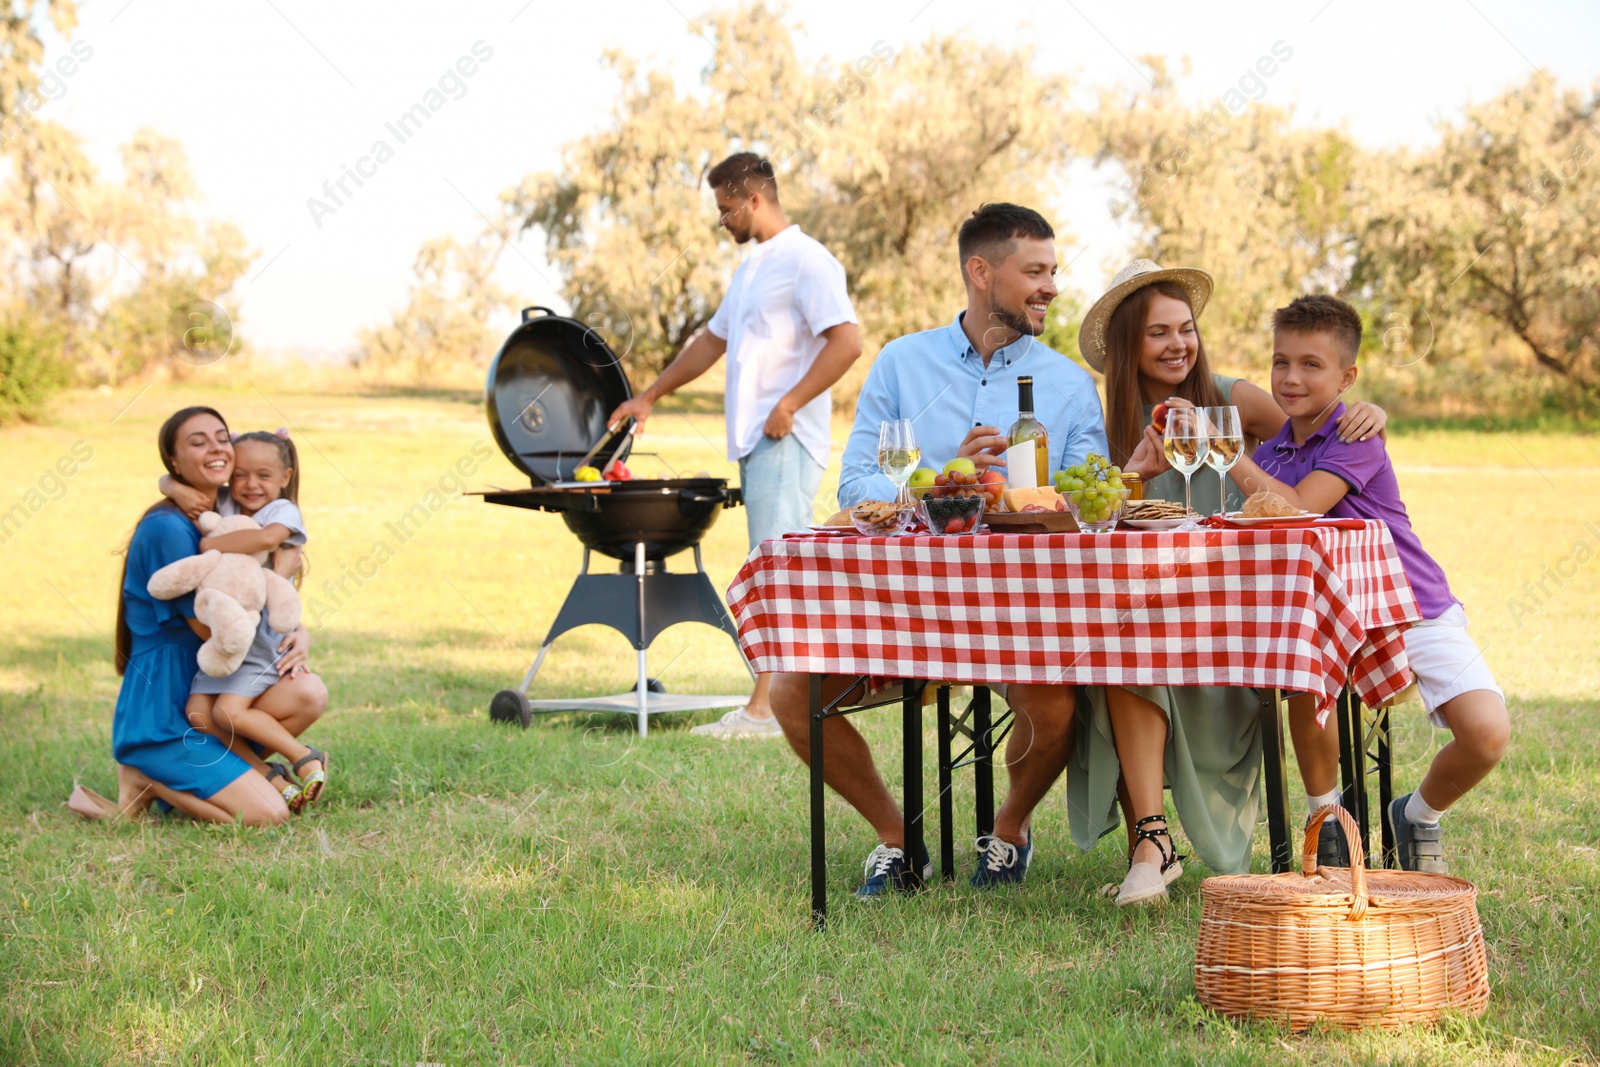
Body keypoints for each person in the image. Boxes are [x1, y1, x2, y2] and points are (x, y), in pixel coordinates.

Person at [772, 203, 1109, 895]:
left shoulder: (1070, 384)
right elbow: (859, 481)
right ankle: (899, 839)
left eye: (1054, 271)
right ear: (981, 272)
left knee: (1054, 708)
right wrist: (941, 474)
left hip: (1023, 601)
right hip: (903, 601)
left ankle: (1009, 831)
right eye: (1035, 271)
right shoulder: (903, 363)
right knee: (791, 694)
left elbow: (1088, 501)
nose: (1050, 286)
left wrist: (1042, 493)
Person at [1072, 261, 1389, 905]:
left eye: (1185, 329)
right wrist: (1133, 471)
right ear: (1129, 343)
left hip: (1239, 626)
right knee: (1122, 649)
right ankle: (1151, 844)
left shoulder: (1235, 400)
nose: (1177, 345)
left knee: (1130, 651)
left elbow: (1319, 435)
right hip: (1151, 618)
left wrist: (1369, 409)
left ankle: (1155, 847)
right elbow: (1096, 523)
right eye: (1158, 333)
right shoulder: (1106, 424)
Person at [1220, 294, 1509, 873]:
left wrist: (1223, 452)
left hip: (1413, 606)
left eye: (1311, 364)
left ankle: (1418, 813)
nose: (1291, 377)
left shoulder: (1357, 436)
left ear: (1347, 376)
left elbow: (1299, 508)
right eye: (1281, 362)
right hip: (1326, 622)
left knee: (1486, 734)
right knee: (1305, 678)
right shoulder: (1273, 453)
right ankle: (1326, 819)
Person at [607, 152, 862, 739]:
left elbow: (846, 342)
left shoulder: (806, 261)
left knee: (776, 570)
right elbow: (710, 341)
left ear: (753, 199)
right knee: (773, 567)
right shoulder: (753, 269)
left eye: (725, 208)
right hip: (757, 442)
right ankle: (781, 702)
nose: (721, 220)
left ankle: (767, 710)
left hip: (786, 438)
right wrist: (648, 396)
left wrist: (790, 403)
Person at [70, 407, 327, 825]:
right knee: (269, 815)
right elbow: (212, 628)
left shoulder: (227, 515)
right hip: (167, 712)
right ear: (173, 460)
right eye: (197, 442)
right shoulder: (168, 529)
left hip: (207, 690)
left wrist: (299, 628)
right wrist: (280, 575)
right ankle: (147, 775)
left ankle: (238, 777)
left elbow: (248, 587)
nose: (214, 448)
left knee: (308, 692)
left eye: (221, 438)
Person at [159, 429, 329, 813]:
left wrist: (209, 544)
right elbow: (167, 479)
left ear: (285, 477)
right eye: (241, 474)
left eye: (264, 475)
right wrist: (180, 490)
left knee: (228, 713)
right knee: (200, 714)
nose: (250, 485)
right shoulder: (228, 501)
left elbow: (268, 540)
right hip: (226, 636)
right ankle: (268, 775)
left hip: (257, 638)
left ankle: (305, 758)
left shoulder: (280, 512)